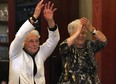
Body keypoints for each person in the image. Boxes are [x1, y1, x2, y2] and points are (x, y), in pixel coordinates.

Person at [8, 0, 60, 84]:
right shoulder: (15, 52)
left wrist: (50, 21)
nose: (35, 44)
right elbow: (20, 36)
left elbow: (54, 39)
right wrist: (34, 17)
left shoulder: (41, 52)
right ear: (24, 42)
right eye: (31, 41)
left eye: (37, 41)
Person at [57, 17, 107, 84]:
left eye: (83, 33)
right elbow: (62, 46)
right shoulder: (68, 47)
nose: (81, 36)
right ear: (72, 35)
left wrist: (91, 29)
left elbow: (104, 41)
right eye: (78, 33)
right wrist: (78, 32)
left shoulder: (89, 45)